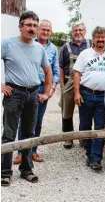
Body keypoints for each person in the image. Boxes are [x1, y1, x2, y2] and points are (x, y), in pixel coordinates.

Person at [1, 11, 52, 186]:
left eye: (34, 26)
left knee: (29, 134)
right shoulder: (7, 44)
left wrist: (45, 92)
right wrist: (0, 85)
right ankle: (5, 172)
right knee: (9, 134)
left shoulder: (39, 48)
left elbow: (47, 71)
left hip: (33, 95)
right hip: (13, 94)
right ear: (20, 26)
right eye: (28, 25)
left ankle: (26, 170)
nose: (32, 28)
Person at [13, 20, 60, 164]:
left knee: (37, 122)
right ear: (38, 30)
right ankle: (21, 152)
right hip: (28, 88)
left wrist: (50, 91)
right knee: (24, 122)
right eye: (43, 29)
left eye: (48, 30)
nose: (45, 32)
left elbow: (55, 72)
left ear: (51, 32)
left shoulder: (53, 49)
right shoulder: (29, 45)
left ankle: (33, 151)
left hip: (42, 89)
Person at [73, 26, 105, 171]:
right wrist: (76, 93)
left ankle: (96, 159)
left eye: (103, 37)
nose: (100, 39)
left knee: (99, 127)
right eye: (98, 37)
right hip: (86, 94)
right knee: (85, 125)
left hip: (104, 96)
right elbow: (77, 74)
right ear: (93, 39)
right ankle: (89, 153)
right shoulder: (85, 54)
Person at [59, 22, 92, 149]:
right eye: (75, 30)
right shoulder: (66, 47)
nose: (78, 32)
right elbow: (61, 66)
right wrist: (62, 86)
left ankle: (82, 138)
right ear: (72, 32)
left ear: (85, 31)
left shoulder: (91, 44)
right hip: (69, 82)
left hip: (86, 83)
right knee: (67, 112)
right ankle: (68, 138)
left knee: (85, 113)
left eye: (80, 30)